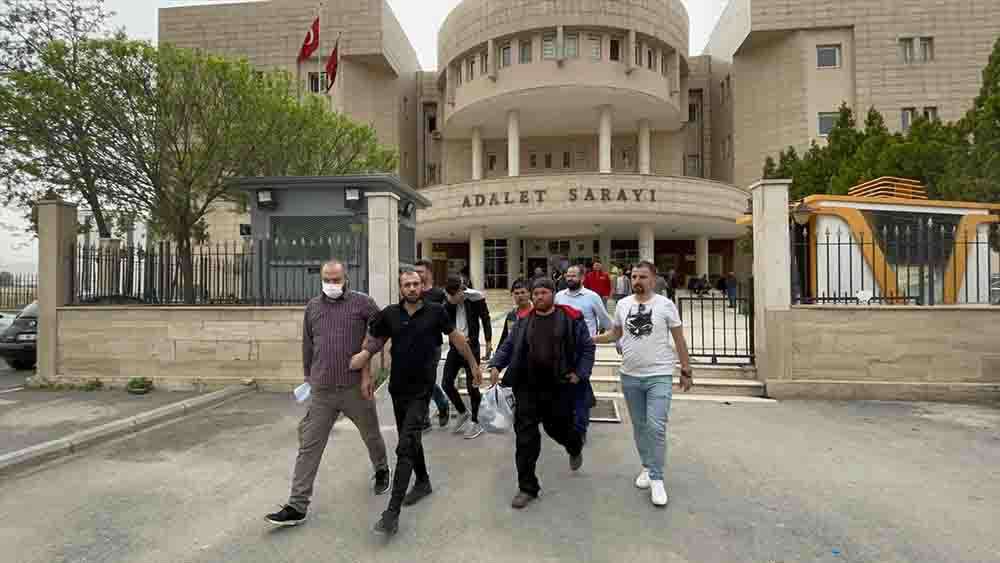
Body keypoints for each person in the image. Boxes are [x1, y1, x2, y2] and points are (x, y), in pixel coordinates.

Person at [351, 268, 481, 535]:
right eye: (406, 285)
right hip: (398, 389)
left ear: (423, 286)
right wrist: (365, 370)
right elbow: (372, 342)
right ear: (401, 289)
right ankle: (422, 481)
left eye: (415, 284)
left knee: (405, 446)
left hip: (422, 391)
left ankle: (392, 512)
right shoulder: (390, 314)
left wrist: (473, 364)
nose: (411, 288)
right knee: (410, 441)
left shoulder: (436, 311)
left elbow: (456, 338)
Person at [265, 260, 391, 527]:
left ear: (346, 278)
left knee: (371, 434)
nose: (331, 285)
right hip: (322, 390)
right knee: (309, 446)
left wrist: (367, 354)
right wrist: (308, 379)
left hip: (354, 387)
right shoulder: (313, 307)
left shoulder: (363, 303)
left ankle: (381, 468)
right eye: (327, 279)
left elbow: (382, 330)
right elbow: (308, 345)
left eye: (336, 279)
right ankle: (297, 505)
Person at [487, 278, 594, 509]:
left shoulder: (570, 318)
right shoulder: (524, 321)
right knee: (525, 439)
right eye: (536, 293)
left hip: (558, 386)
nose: (538, 297)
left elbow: (587, 347)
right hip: (527, 387)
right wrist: (496, 364)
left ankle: (574, 445)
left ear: (553, 295)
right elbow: (508, 345)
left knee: (557, 428)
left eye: (544, 293)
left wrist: (580, 373)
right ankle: (527, 487)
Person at [594, 261, 693, 508]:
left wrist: (686, 369)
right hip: (630, 376)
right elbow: (615, 334)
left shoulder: (665, 305)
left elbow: (679, 340)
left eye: (643, 277)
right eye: (634, 276)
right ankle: (647, 467)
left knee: (656, 427)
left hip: (659, 375)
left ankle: (657, 479)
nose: (637, 281)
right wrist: (589, 338)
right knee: (640, 427)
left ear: (654, 279)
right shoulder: (623, 304)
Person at [554, 265, 612, 443]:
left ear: (582, 278)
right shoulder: (559, 296)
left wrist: (617, 340)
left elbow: (605, 320)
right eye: (568, 275)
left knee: (581, 380)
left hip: (584, 349)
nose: (569, 278)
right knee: (568, 384)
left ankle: (580, 426)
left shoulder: (592, 297)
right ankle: (576, 415)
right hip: (562, 349)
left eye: (573, 275)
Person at [442, 274, 492, 439]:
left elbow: (485, 318)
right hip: (455, 348)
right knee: (446, 383)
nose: (451, 297)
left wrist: (489, 341)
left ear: (461, 291)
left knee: (473, 386)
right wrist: (450, 302)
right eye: (449, 295)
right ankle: (463, 412)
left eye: (454, 294)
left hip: (473, 347)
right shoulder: (448, 302)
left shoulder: (475, 299)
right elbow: (445, 320)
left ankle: (477, 421)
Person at [414, 259, 451, 429]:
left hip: (433, 345)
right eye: (416, 271)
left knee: (426, 380)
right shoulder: (413, 292)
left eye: (421, 271)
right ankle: (442, 404)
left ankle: (425, 418)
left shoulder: (439, 294)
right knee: (423, 381)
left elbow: (447, 319)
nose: (418, 275)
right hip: (414, 345)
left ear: (429, 273)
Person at [498, 278, 533, 350]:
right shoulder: (511, 315)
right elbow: (505, 338)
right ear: (512, 295)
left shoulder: (537, 313)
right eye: (516, 293)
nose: (520, 296)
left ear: (529, 293)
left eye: (523, 292)